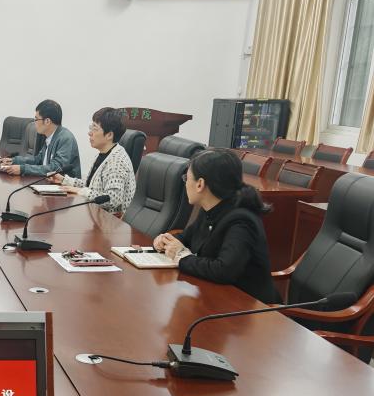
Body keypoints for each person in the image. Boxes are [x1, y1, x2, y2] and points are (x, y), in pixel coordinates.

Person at [153, 148, 280, 304]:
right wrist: (165, 241)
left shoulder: (241, 220)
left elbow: (224, 270)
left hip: (249, 306)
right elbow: (186, 237)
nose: (185, 183)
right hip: (217, 296)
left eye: (187, 178)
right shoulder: (211, 208)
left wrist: (181, 256)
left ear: (200, 184)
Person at [48, 107, 136, 214]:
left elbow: (112, 199)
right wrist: (64, 180)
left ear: (109, 135)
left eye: (95, 129)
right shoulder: (104, 153)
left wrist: (81, 191)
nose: (90, 133)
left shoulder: (116, 162)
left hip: (110, 220)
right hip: (95, 214)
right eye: (91, 127)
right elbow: (91, 186)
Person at [0, 99, 80, 177]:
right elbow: (38, 160)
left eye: (36, 119)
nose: (34, 123)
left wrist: (23, 169)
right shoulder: (49, 136)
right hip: (48, 182)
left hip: (64, 185)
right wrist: (14, 161)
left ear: (47, 121)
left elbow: (55, 169)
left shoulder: (65, 138)